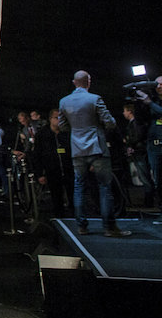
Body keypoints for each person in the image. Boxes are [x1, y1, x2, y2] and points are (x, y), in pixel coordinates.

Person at [58, 70, 130, 237]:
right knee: (105, 187)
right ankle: (109, 227)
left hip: (77, 149)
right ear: (88, 82)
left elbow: (62, 126)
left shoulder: (64, 101)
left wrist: (76, 131)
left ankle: (82, 226)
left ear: (74, 82)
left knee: (79, 187)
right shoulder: (94, 99)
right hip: (97, 147)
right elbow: (110, 123)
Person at [32, 109, 69, 217]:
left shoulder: (66, 133)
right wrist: (39, 174)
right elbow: (37, 155)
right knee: (56, 196)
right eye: (56, 118)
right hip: (52, 170)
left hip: (67, 169)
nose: (59, 121)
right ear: (50, 119)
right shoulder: (42, 135)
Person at [135, 75, 162, 207]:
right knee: (158, 178)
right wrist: (139, 103)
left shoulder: (152, 102)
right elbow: (140, 120)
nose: (159, 87)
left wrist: (149, 102)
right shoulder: (152, 100)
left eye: (161, 84)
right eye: (156, 84)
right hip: (154, 146)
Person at [121, 103, 154, 207]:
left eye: (125, 111)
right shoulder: (133, 124)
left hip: (139, 153)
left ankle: (149, 201)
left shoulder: (135, 124)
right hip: (139, 151)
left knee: (144, 177)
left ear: (130, 112)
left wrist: (130, 144)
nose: (123, 113)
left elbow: (138, 136)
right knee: (144, 176)